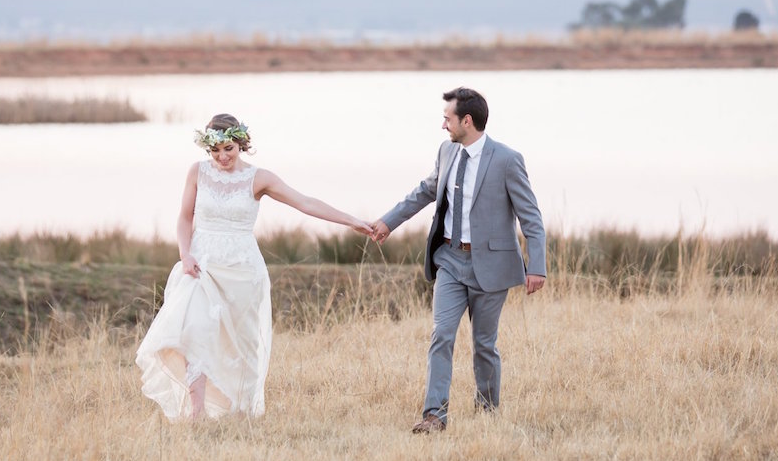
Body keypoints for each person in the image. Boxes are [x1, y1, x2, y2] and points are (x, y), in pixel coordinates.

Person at [137, 114, 374, 420]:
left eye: (229, 149)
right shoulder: (197, 172)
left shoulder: (259, 178)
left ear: (241, 144)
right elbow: (184, 217)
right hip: (202, 264)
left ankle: (242, 411)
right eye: (215, 150)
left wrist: (354, 222)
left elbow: (305, 202)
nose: (222, 157)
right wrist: (185, 255)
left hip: (242, 270)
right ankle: (196, 412)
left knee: (241, 342)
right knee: (195, 329)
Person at [369, 87, 546, 434]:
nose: (443, 126)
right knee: (441, 335)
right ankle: (435, 415)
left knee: (484, 344)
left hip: (492, 266)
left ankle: (487, 410)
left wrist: (536, 266)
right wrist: (388, 221)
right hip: (449, 260)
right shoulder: (446, 152)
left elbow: (531, 217)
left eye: (447, 118)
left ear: (467, 121)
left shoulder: (507, 160)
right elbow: (425, 191)